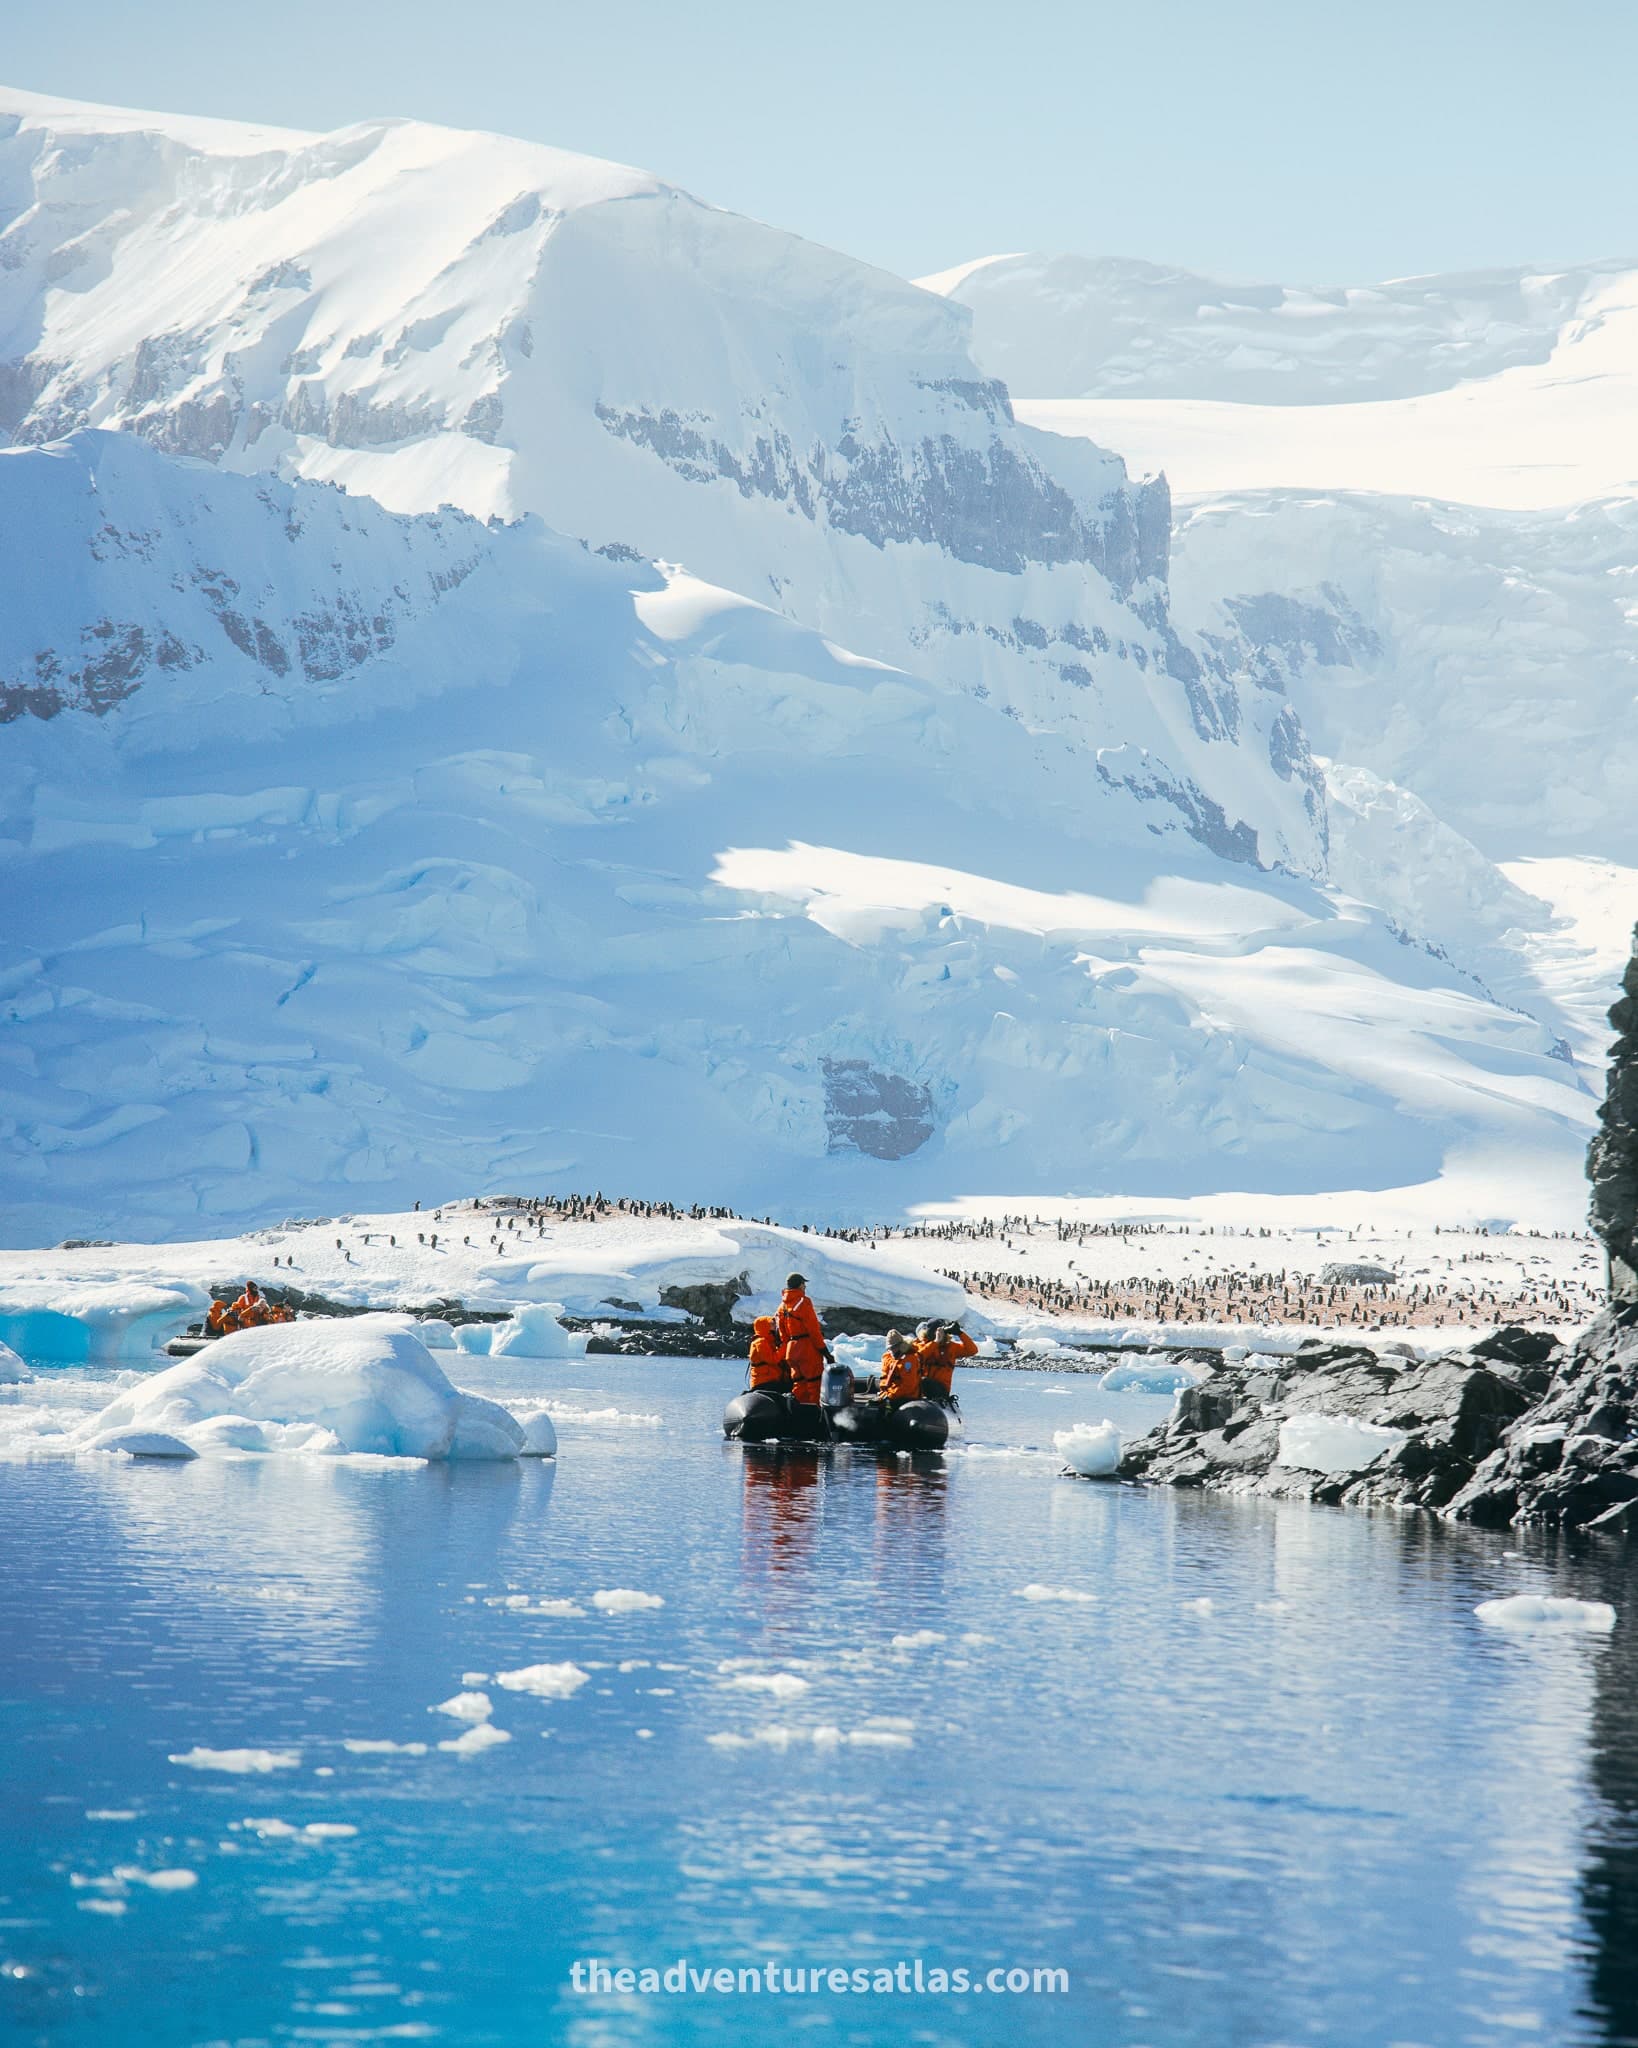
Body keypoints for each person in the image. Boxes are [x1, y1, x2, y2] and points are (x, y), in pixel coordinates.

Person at [775, 1272, 831, 1408]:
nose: (805, 1286)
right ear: (800, 1285)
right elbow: (813, 1330)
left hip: (791, 1350)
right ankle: (816, 1417)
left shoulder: (782, 1306)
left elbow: (782, 1334)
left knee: (798, 1384)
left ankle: (798, 1414)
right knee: (814, 1383)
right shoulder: (804, 1302)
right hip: (806, 1349)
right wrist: (825, 1352)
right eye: (803, 1284)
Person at [916, 1319, 977, 1403]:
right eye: (938, 1331)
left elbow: (972, 1350)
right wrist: (935, 1342)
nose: (941, 1334)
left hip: (941, 1390)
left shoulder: (951, 1347)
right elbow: (918, 1357)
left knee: (925, 1381)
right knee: (922, 1381)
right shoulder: (920, 1346)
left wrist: (960, 1333)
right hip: (920, 1390)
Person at [878, 1329, 921, 1404]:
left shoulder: (909, 1360)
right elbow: (885, 1378)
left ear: (901, 1346)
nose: (892, 1351)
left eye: (894, 1347)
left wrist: (890, 1395)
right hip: (893, 1393)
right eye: (890, 1349)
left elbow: (908, 1385)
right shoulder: (889, 1358)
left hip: (907, 1397)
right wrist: (884, 1393)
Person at [746, 1315, 788, 1392]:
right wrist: (785, 1346)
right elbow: (773, 1359)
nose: (774, 1326)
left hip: (769, 1379)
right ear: (764, 1326)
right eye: (771, 1324)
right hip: (764, 1382)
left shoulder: (769, 1341)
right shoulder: (760, 1342)